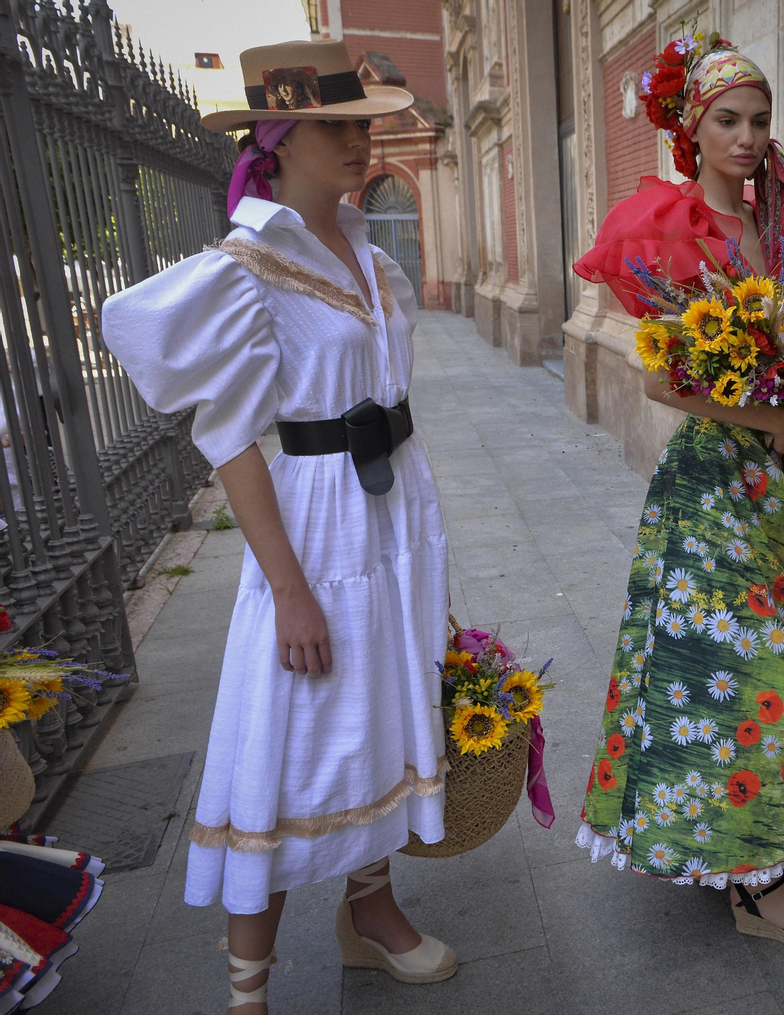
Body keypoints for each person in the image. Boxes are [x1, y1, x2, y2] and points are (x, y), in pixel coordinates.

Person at [100, 41, 456, 1011]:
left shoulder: (373, 254)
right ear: (280, 133)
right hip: (318, 525)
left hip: (397, 511)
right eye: (337, 125)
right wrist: (290, 588)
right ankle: (247, 989)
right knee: (295, 733)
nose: (358, 141)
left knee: (386, 705)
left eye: (365, 123)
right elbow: (231, 441)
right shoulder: (244, 271)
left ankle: (372, 913)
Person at [572, 32, 784, 951]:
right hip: (712, 485)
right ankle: (752, 877)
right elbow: (663, 384)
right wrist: (763, 423)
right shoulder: (661, 228)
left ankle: (757, 853)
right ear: (693, 130)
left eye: (758, 120)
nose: (745, 137)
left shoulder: (771, 227)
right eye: (727, 120)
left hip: (778, 474)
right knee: (736, 675)